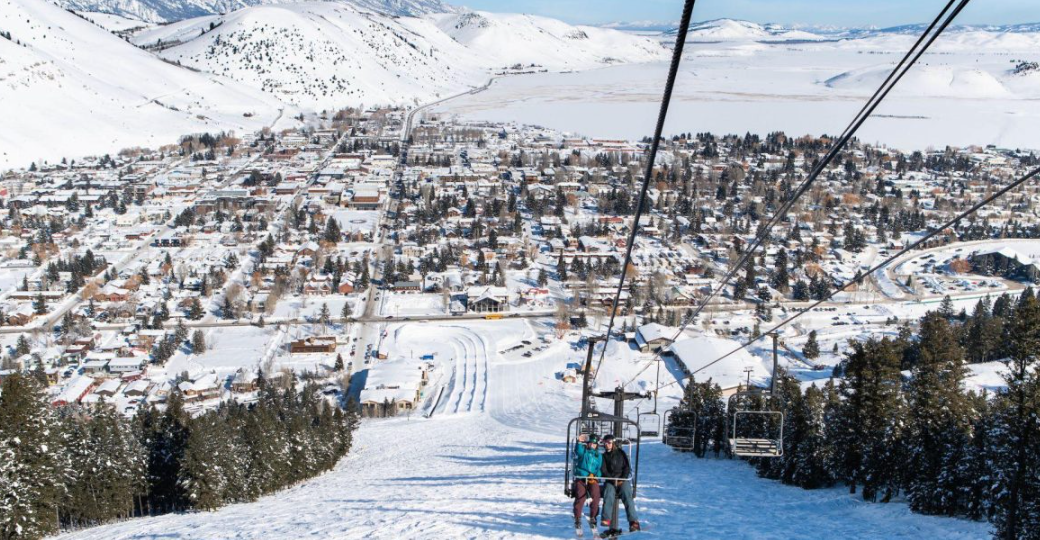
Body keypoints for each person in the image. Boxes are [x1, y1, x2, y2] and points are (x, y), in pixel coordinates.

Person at [599, 434, 640, 533]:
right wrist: (613, 480)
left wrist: (622, 478)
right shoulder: (603, 456)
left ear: (613, 443)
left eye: (609, 443)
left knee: (627, 494)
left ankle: (633, 521)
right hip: (610, 480)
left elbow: (626, 467)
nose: (607, 445)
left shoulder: (621, 453)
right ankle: (606, 518)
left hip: (622, 479)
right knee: (608, 493)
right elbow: (604, 470)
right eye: (605, 443)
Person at [572, 433, 603, 530]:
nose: (592, 445)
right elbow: (578, 450)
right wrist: (579, 442)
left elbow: (599, 469)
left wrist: (595, 475)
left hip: (592, 479)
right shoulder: (583, 452)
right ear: (587, 444)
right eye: (590, 443)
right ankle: (577, 518)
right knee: (581, 496)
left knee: (596, 495)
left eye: (594, 444)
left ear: (596, 445)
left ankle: (593, 516)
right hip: (581, 478)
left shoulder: (598, 456)